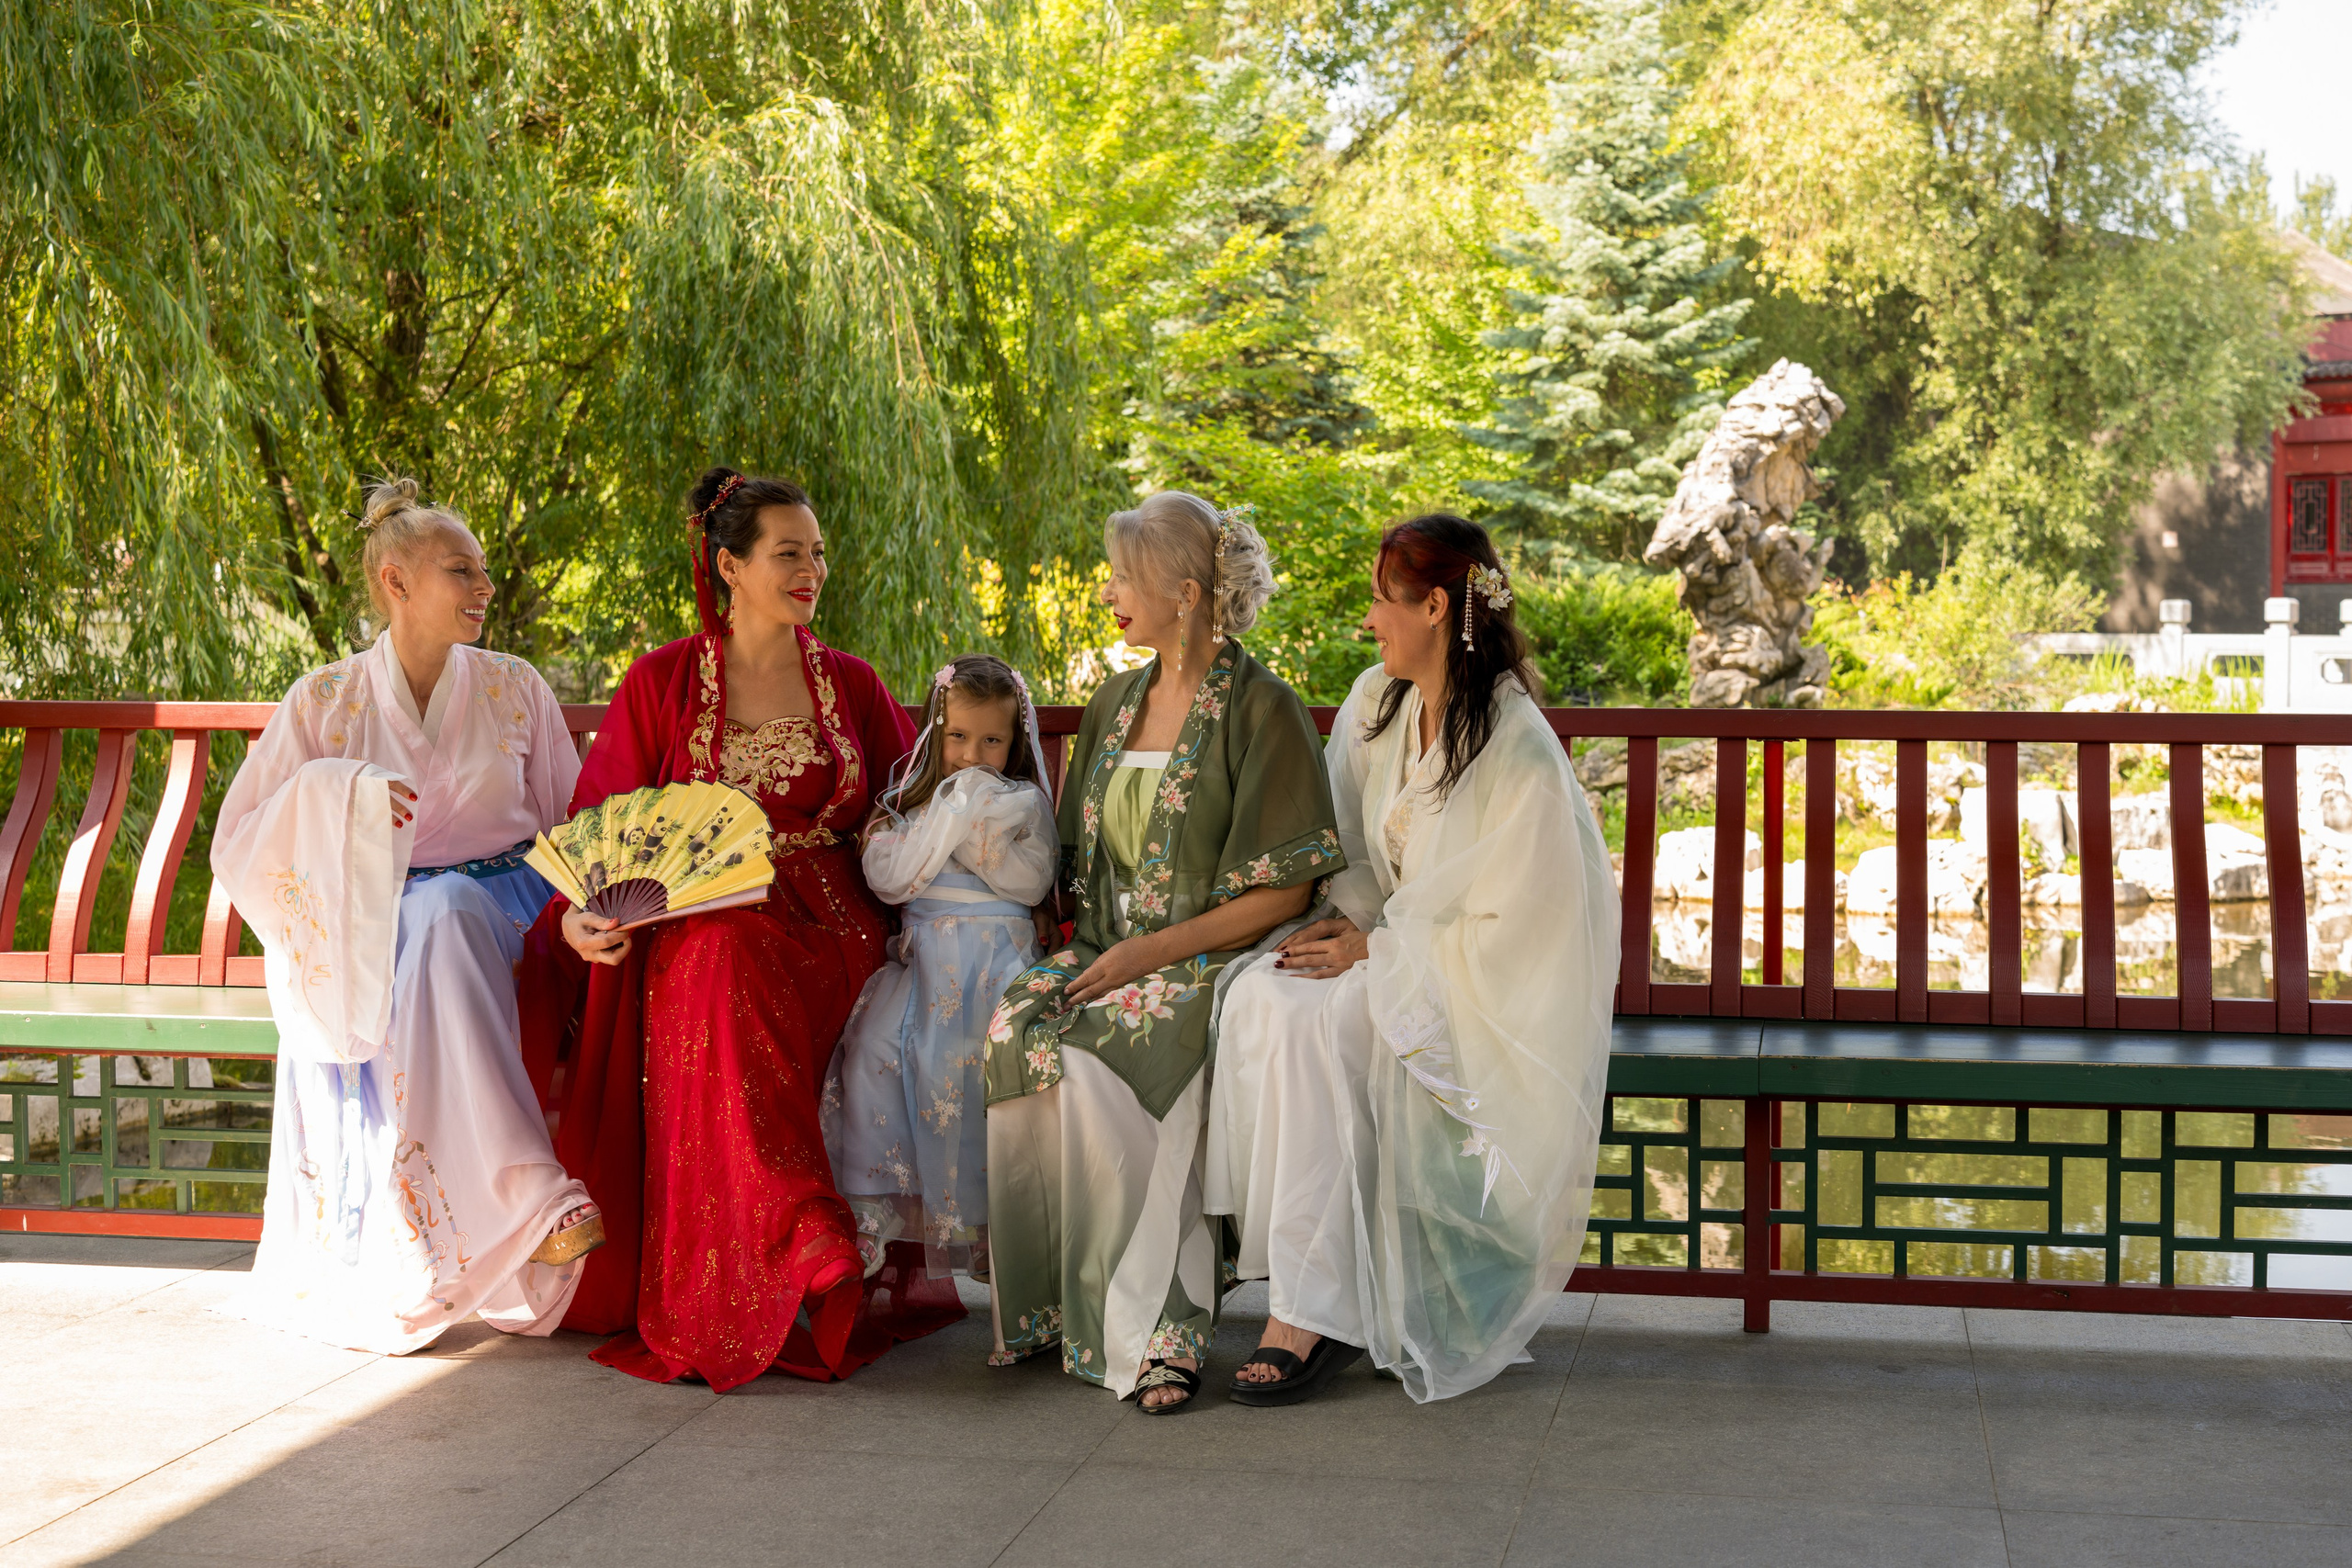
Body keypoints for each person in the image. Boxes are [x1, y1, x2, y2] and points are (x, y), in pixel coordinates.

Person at [520, 466, 964, 1392]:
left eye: (818, 554)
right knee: (716, 964)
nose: (813, 571)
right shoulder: (664, 681)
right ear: (729, 564)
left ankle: (800, 1236)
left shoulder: (850, 682)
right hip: (704, 918)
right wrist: (578, 920)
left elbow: (908, 808)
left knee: (727, 975)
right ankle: (801, 1232)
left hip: (833, 918)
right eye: (789, 554)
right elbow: (599, 818)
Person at [1208, 513, 1618, 1405]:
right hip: (1395, 955)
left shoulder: (1513, 749)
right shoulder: (1374, 703)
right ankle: (1291, 1277)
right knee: (1265, 1000)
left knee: (1326, 1025)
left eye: (1380, 602)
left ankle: (1308, 1314)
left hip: (1480, 996)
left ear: (1435, 606)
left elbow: (1523, 927)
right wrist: (1351, 929)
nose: (1367, 621)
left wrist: (1383, 950)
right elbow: (1350, 845)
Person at [210, 477, 600, 1355]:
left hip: (512, 915)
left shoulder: (515, 688)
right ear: (395, 581)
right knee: (435, 914)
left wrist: (590, 911)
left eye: (484, 571)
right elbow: (241, 842)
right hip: (373, 927)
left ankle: (489, 1216)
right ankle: (509, 1206)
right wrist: (340, 799)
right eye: (461, 571)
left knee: (453, 908)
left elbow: (573, 824)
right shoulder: (323, 703)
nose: (483, 588)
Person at [983, 491, 1343, 1414]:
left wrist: (1151, 957)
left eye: (1123, 578)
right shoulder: (1114, 701)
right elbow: (1077, 857)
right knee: (1020, 1026)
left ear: (1183, 592)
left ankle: (1165, 1329)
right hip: (1111, 948)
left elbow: (1286, 889)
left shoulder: (1261, 709)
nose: (1108, 591)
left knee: (1113, 1053)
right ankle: (1070, 1306)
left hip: (1216, 956)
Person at [823, 655, 1057, 1280]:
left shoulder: (1024, 800)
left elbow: (1031, 879)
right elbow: (892, 878)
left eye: (991, 740)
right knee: (875, 1044)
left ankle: (989, 1222)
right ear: (935, 732)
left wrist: (963, 816)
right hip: (925, 958)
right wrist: (952, 812)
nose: (971, 755)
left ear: (1013, 744)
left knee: (979, 1057)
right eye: (957, 736)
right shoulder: (910, 803)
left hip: (995, 960)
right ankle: (874, 1207)